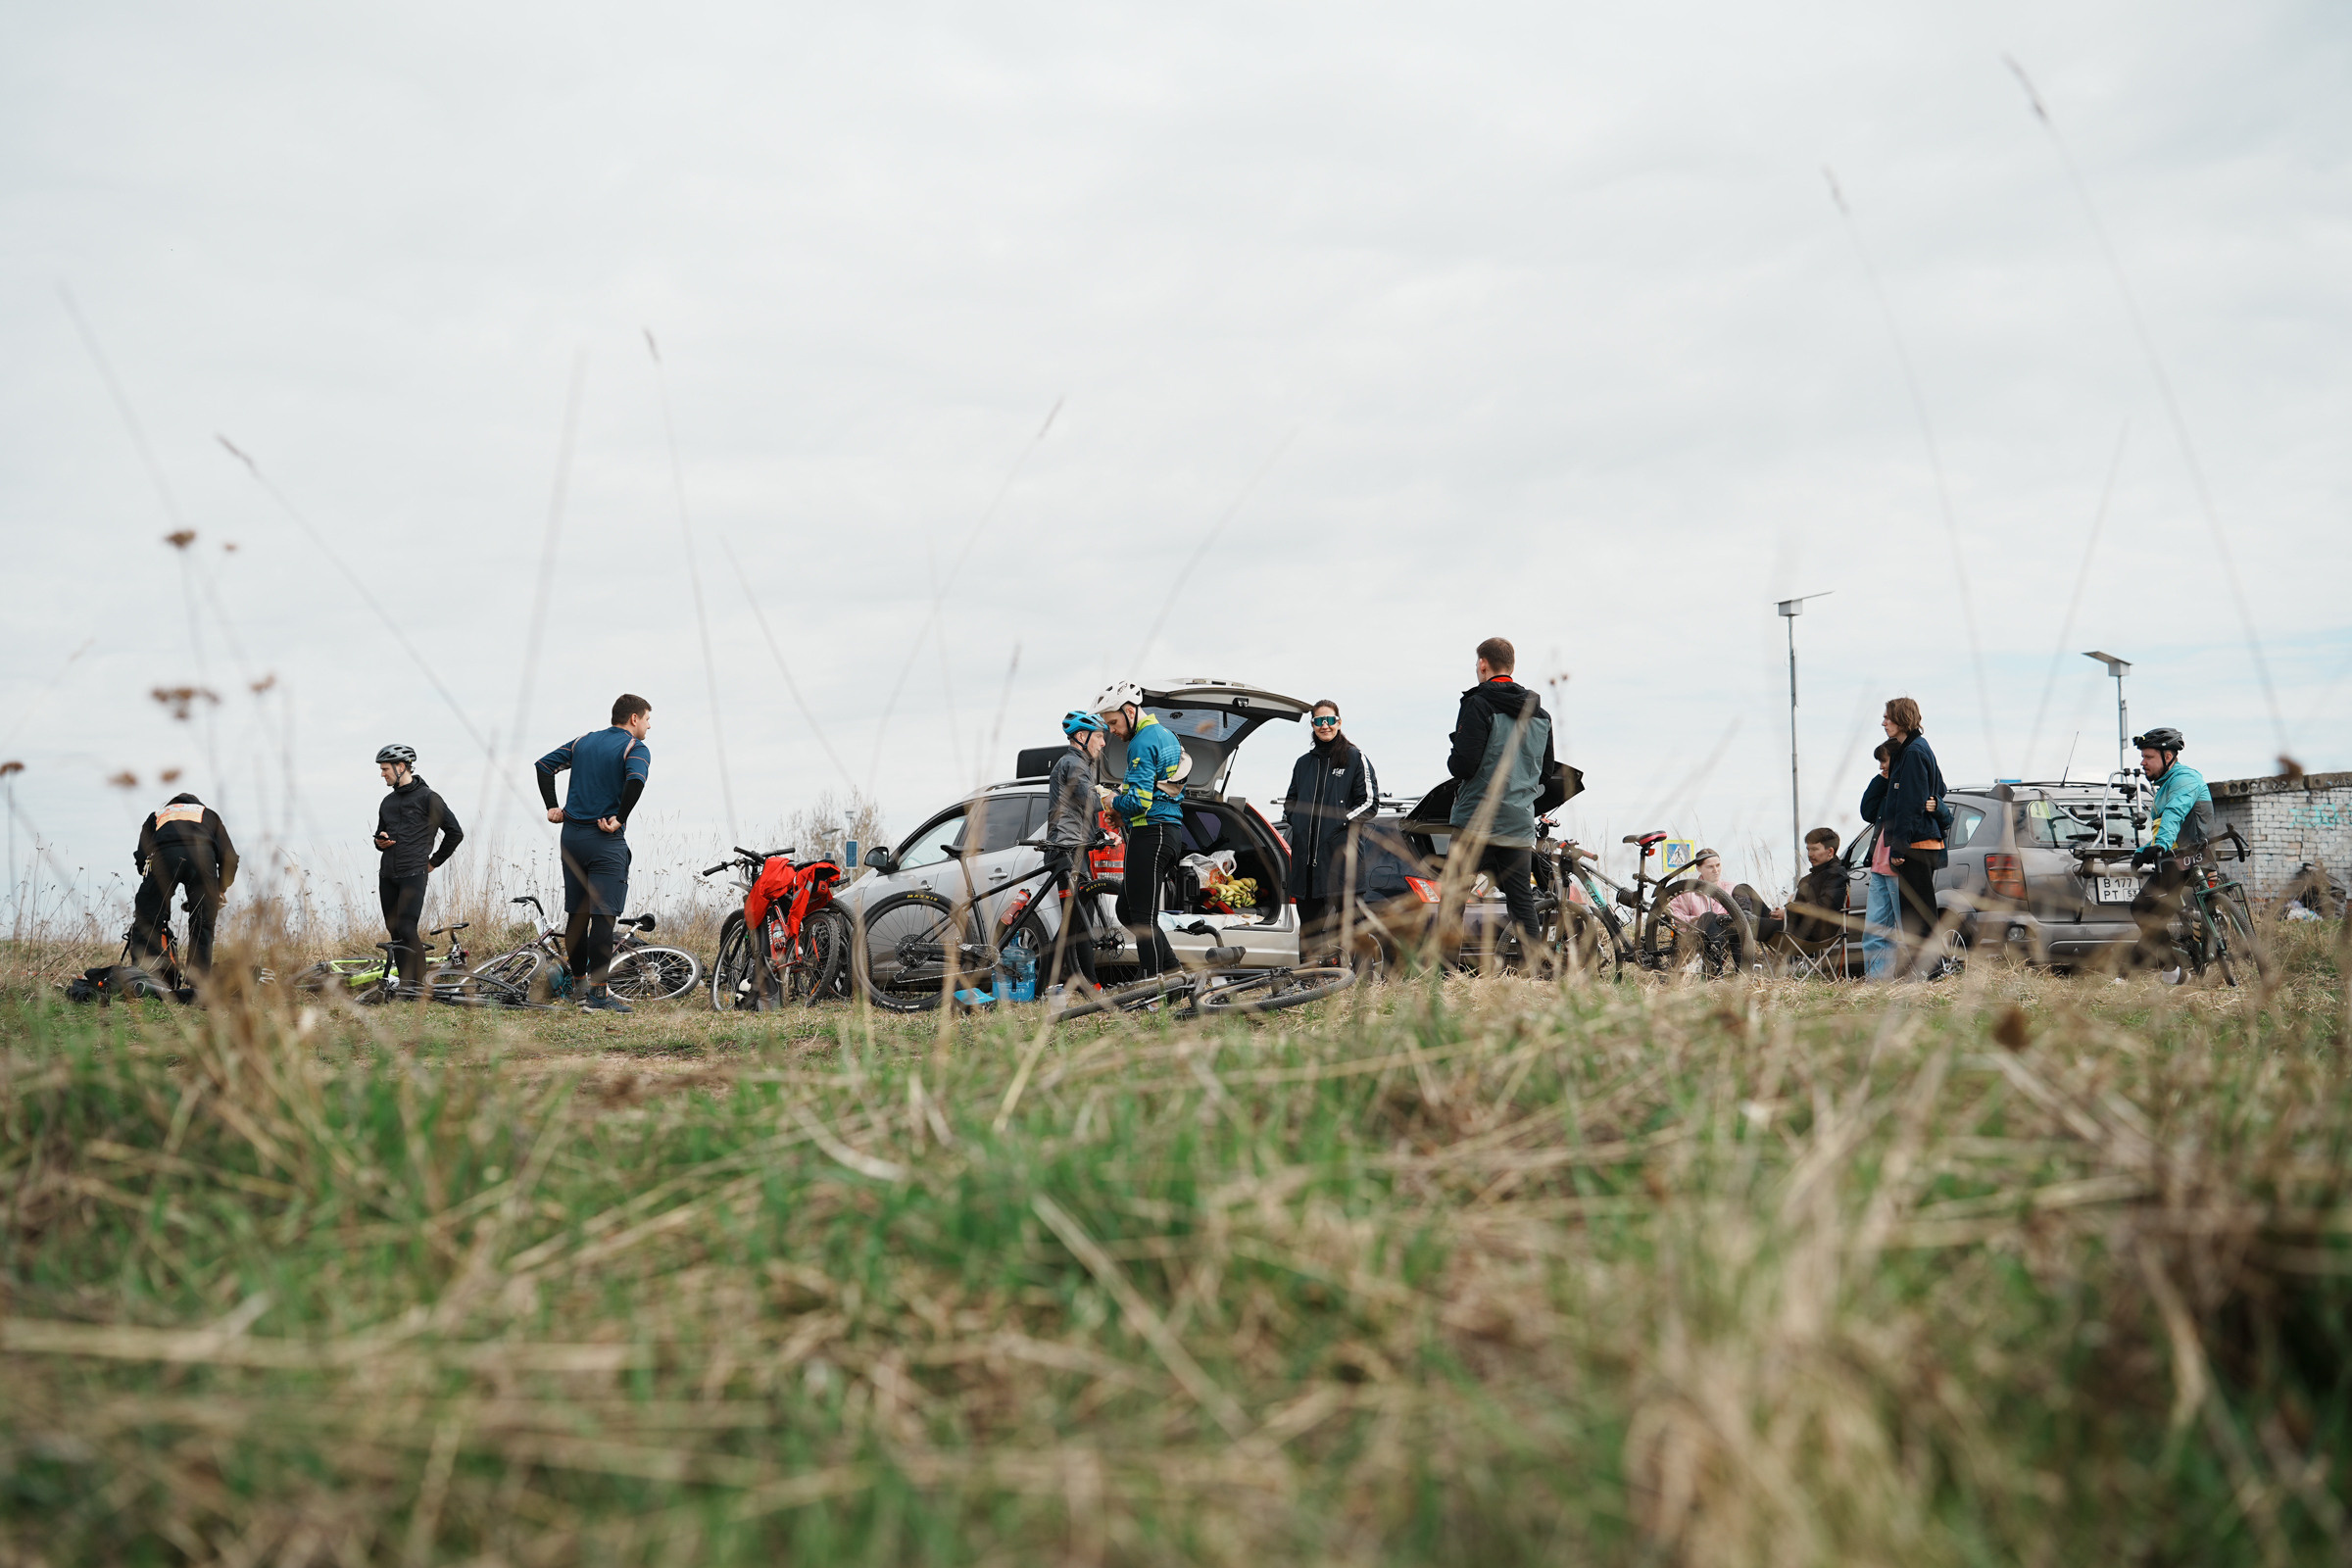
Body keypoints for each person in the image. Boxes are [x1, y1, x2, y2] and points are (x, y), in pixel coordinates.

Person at [1445, 637, 1562, 964]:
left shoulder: (1477, 704)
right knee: (1522, 902)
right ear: (1511, 665)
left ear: (1483, 664)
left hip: (1475, 821)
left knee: (1454, 899)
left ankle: (1444, 975)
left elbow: (1463, 765)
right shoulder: (1541, 715)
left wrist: (1455, 751)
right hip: (1517, 823)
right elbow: (1546, 771)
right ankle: (1535, 973)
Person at [536, 694, 654, 1012]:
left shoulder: (582, 742)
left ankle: (579, 989)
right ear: (633, 719)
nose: (648, 726)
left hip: (572, 838)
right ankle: (599, 996)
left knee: (577, 915)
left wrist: (552, 806)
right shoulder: (635, 748)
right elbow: (635, 781)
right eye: (647, 719)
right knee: (603, 916)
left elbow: (544, 765)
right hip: (604, 840)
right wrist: (620, 818)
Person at [1096, 680, 1185, 978]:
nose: (1111, 730)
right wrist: (1124, 818)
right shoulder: (1167, 735)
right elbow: (1161, 791)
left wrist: (1112, 800)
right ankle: (1173, 974)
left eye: (1113, 722)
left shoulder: (1143, 741)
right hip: (1163, 831)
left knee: (1143, 919)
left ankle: (1154, 988)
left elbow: (1139, 800)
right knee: (1126, 911)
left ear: (1130, 711)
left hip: (1153, 834)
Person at [1280, 700, 1379, 964]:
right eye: (1319, 721)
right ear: (1312, 724)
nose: (1325, 725)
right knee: (1310, 933)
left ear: (1339, 722)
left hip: (1341, 865)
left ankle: (1363, 980)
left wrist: (1340, 822)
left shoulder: (1355, 758)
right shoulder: (1303, 764)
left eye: (1330, 720)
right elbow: (1290, 802)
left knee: (1354, 928)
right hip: (1307, 868)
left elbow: (1370, 803)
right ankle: (1309, 981)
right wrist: (1298, 821)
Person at [372, 744, 466, 998]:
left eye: (385, 769)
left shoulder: (428, 798)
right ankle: (407, 986)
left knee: (406, 927)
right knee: (394, 930)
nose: (382, 774)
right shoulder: (388, 802)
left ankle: (420, 987)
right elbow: (381, 834)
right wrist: (380, 841)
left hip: (413, 873)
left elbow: (455, 832)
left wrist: (434, 862)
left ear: (401, 767)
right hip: (387, 874)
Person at [2127, 726, 2211, 979]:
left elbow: (2175, 813)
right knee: (2153, 916)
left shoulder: (2185, 779)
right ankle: (2131, 973)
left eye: (2148, 757)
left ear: (2168, 756)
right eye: (2142, 757)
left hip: (2187, 858)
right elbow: (2161, 828)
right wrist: (2143, 851)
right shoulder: (2164, 788)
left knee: (2142, 909)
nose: (2143, 762)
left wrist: (2161, 845)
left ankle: (2171, 972)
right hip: (2175, 857)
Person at [1879, 697, 1952, 978]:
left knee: (1918, 912)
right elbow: (1940, 787)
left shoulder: (1912, 752)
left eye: (1888, 717)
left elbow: (1909, 805)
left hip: (1916, 845)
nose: (1883, 723)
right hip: (1922, 843)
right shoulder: (1916, 748)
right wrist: (1932, 799)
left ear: (1901, 719)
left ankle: (1933, 971)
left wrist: (1899, 847)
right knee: (1920, 910)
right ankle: (1933, 970)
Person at [131, 791, 238, 978]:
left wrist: (150, 885)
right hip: (203, 856)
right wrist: (220, 888)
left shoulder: (158, 815)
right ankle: (198, 980)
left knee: (147, 919)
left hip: (164, 856)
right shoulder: (209, 815)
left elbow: (142, 855)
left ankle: (148, 977)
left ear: (172, 804)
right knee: (202, 922)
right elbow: (230, 857)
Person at [1041, 710, 1109, 993]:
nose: (1103, 743)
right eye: (1099, 736)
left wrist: (1101, 834)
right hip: (1066, 850)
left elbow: (1081, 812)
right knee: (1075, 921)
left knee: (1081, 920)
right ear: (1082, 736)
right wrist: (1120, 797)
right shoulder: (1072, 763)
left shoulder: (1080, 764)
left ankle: (1090, 983)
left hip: (1076, 849)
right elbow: (1090, 800)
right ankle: (1043, 985)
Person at [1858, 742, 1901, 979]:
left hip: (1900, 866)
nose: (1881, 766)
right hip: (1878, 866)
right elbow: (1867, 812)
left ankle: (1916, 979)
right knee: (1874, 930)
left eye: (1884, 761)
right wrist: (1882, 780)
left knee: (1905, 929)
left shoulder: (1910, 786)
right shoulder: (1885, 787)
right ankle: (1877, 984)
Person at [1776, 827, 1850, 949]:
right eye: (1808, 849)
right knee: (1745, 891)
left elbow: (1825, 907)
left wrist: (1788, 913)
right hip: (1795, 927)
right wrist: (1783, 913)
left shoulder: (1837, 875)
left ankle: (1747, 919)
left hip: (1812, 933)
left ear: (1830, 852)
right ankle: (1747, 915)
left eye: (1814, 849)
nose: (1810, 854)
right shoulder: (1807, 879)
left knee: (1751, 924)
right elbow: (1798, 905)